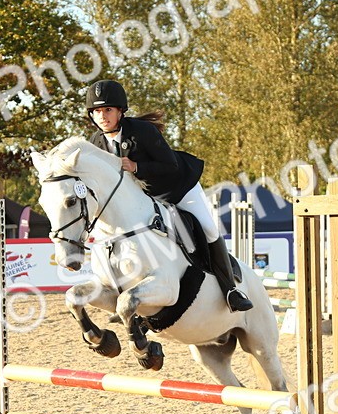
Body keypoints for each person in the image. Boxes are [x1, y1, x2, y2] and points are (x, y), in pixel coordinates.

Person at [85, 79, 252, 312]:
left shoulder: (143, 132)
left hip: (177, 187)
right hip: (143, 200)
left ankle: (231, 290)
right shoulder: (96, 142)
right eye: (97, 111)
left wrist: (136, 166)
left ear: (121, 111)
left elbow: (170, 165)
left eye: (108, 110)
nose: (102, 116)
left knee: (208, 228)